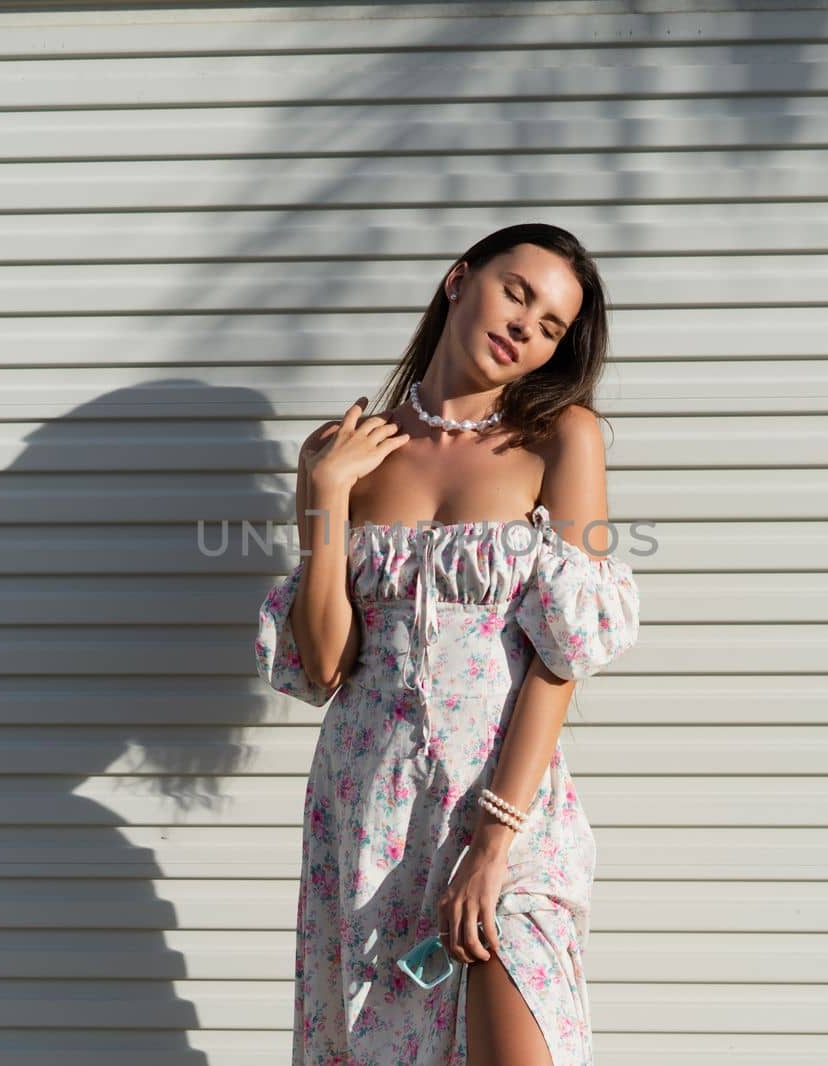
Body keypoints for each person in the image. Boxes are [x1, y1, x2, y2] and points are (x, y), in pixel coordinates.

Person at [253, 222, 643, 1065]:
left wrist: (496, 837)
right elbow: (323, 667)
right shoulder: (344, 452)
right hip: (370, 810)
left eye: (550, 326)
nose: (526, 327)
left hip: (506, 806)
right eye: (518, 293)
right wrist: (325, 494)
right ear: (459, 280)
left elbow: (562, 652)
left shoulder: (560, 437)